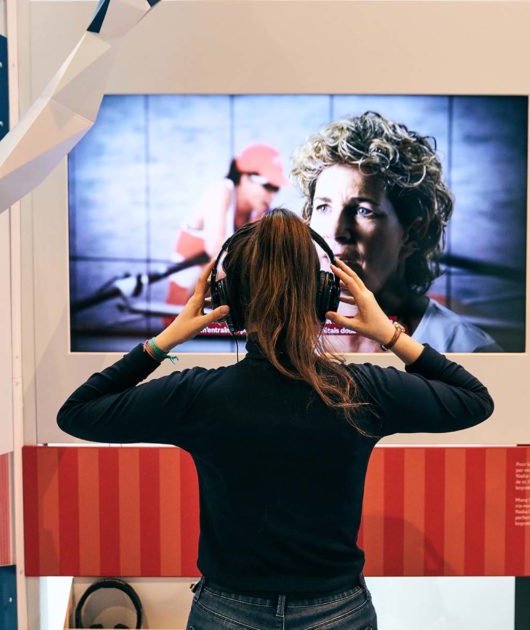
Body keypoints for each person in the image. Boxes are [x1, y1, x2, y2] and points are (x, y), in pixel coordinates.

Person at [58, 209, 494, 629]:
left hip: (227, 612)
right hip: (337, 611)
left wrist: (168, 337)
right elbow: (474, 400)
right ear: (324, 296)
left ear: (229, 305)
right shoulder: (361, 392)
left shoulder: (195, 395)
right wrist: (388, 334)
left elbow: (78, 413)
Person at [291, 111, 502, 353]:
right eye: (323, 207)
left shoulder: (464, 349)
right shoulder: (280, 341)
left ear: (412, 233)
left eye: (363, 210)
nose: (337, 231)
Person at [165, 143, 287, 306]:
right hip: (182, 305)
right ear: (244, 177)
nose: (271, 196)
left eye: (276, 188)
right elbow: (217, 252)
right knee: (225, 262)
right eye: (267, 186)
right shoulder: (220, 192)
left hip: (215, 300)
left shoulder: (258, 214)